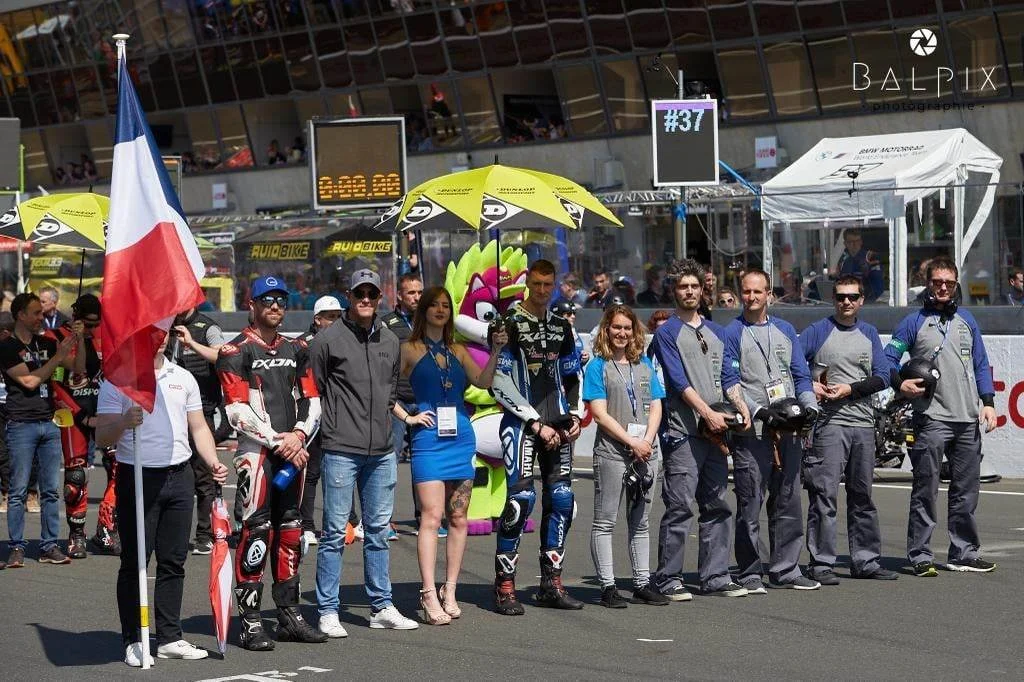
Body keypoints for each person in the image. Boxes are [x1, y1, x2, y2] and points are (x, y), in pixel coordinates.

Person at [96, 335, 229, 667]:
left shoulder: (182, 377)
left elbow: (198, 427)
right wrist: (124, 421)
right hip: (137, 476)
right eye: (150, 331)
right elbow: (102, 435)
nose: (158, 338)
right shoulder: (118, 379)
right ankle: (134, 639)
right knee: (136, 562)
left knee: (174, 561)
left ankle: (169, 637)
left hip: (179, 477)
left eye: (164, 331)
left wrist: (212, 461)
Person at [217, 276, 327, 651]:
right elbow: (235, 411)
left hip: (293, 451)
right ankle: (249, 621)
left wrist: (297, 436)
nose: (276, 306)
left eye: (281, 300)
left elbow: (313, 400)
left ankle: (289, 615)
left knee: (292, 529)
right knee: (256, 530)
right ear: (253, 304)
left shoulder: (298, 349)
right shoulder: (234, 350)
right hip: (256, 454)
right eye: (268, 300)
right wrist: (277, 440)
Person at [312, 268, 419, 637]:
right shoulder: (327, 340)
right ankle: (327, 609)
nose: (366, 299)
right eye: (360, 293)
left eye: (372, 294)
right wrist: (335, 426)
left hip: (382, 451)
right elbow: (318, 389)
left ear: (379, 298)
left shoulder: (390, 340)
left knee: (377, 531)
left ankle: (381, 606)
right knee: (333, 533)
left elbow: (390, 392)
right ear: (349, 294)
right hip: (341, 447)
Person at [395, 286, 505, 625]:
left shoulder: (458, 350)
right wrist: (407, 417)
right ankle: (428, 593)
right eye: (435, 305)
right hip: (428, 439)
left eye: (446, 305)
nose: (441, 310)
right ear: (424, 310)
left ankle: (450, 589)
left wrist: (497, 349)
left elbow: (484, 382)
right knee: (431, 516)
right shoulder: (408, 349)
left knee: (459, 518)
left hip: (461, 437)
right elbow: (383, 388)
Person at [886, 256, 999, 576]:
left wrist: (987, 401)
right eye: (937, 282)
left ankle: (963, 552)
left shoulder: (967, 320)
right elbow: (887, 359)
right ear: (928, 284)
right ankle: (920, 554)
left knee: (966, 490)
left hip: (967, 417)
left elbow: (980, 364)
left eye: (949, 283)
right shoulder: (913, 322)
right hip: (931, 417)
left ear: (956, 285)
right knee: (926, 487)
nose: (944, 288)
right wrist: (900, 382)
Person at [650, 260, 749, 600]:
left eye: (693, 286)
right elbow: (677, 381)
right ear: (674, 291)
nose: (689, 292)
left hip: (716, 433)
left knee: (717, 504)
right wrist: (706, 413)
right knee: (679, 507)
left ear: (702, 290)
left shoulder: (717, 332)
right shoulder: (666, 333)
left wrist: (741, 406)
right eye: (682, 287)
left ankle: (715, 576)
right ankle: (668, 579)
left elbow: (729, 377)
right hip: (683, 434)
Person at [491, 259, 584, 615]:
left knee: (562, 499)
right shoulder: (507, 324)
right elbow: (499, 384)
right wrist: (534, 422)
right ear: (526, 283)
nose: (543, 290)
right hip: (521, 425)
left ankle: (551, 583)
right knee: (521, 502)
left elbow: (572, 375)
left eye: (549, 284)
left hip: (558, 423)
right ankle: (505, 587)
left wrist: (573, 415)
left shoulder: (562, 326)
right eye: (538, 284)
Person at [721, 270, 821, 592]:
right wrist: (759, 411)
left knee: (789, 500)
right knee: (750, 502)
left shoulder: (786, 330)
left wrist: (810, 408)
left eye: (757, 292)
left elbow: (801, 375)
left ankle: (786, 568)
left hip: (789, 431)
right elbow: (729, 381)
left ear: (769, 295)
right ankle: (749, 571)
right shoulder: (732, 333)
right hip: (754, 433)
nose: (751, 298)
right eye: (746, 292)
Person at [799, 276, 898, 584]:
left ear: (861, 301)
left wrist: (850, 390)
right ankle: (822, 563)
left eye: (852, 297)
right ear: (834, 298)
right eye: (841, 297)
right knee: (824, 495)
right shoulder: (817, 331)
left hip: (863, 424)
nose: (846, 302)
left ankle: (865, 560)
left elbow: (882, 376)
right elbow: (794, 365)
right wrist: (810, 386)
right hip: (829, 425)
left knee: (862, 495)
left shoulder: (868, 333)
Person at [584, 304, 669, 608]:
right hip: (613, 452)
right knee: (606, 520)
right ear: (606, 330)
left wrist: (645, 440)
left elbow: (657, 404)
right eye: (616, 327)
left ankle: (642, 583)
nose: (622, 333)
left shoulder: (644, 363)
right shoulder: (598, 366)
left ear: (635, 331)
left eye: (627, 328)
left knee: (641, 520)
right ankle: (607, 586)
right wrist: (630, 441)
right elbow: (599, 413)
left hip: (647, 451)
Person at [1, 293, 79, 568]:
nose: (41, 317)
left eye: (41, 312)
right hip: (21, 423)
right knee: (19, 489)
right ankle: (17, 547)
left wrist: (77, 342)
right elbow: (30, 381)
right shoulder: (7, 347)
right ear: (20, 314)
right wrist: (58, 356)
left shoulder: (47, 342)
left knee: (50, 490)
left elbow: (77, 368)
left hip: (50, 422)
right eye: (35, 313)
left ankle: (49, 546)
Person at [46, 294, 117, 558]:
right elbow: (62, 380)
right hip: (72, 413)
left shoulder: (107, 335)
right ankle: (76, 534)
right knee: (76, 475)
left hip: (105, 412)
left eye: (96, 324)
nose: (92, 329)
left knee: (119, 466)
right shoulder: (54, 336)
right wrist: (78, 339)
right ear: (75, 316)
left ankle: (107, 529)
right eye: (87, 324)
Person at [166, 306, 226, 556]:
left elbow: (223, 356)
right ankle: (171, 534)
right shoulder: (165, 326)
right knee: (173, 475)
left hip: (202, 411)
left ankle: (204, 535)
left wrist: (191, 342)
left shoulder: (208, 327)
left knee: (204, 478)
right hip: (171, 412)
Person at [298, 295, 344, 547]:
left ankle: (345, 522)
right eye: (330, 317)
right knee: (312, 471)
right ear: (317, 320)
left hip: (338, 414)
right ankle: (306, 526)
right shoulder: (304, 344)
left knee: (339, 470)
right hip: (312, 413)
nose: (335, 321)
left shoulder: (345, 341)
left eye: (338, 316)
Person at [836, 229, 884, 302]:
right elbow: (838, 282)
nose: (854, 244)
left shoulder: (870, 257)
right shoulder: (843, 260)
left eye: (857, 241)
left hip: (867, 303)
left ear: (861, 242)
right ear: (845, 243)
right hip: (847, 301)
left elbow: (878, 287)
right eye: (850, 242)